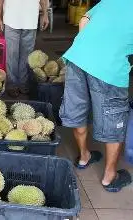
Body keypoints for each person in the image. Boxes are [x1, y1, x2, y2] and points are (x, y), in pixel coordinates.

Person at [60, 0, 133, 192]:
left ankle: (84, 156)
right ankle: (110, 176)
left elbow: (84, 22)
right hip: (109, 67)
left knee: (77, 110)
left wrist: (91, 51)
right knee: (114, 117)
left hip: (78, 58)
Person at [0, 0, 49, 97]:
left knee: (27, 57)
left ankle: (24, 84)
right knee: (12, 56)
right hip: (11, 20)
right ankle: (12, 85)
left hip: (30, 21)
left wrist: (45, 14)